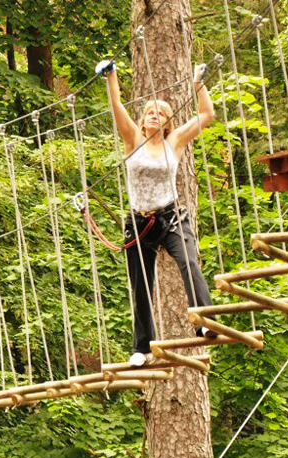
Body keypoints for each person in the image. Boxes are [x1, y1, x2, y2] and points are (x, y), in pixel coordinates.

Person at [97, 58, 217, 367]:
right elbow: (116, 108)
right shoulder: (132, 140)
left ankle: (204, 320)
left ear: (167, 122)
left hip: (170, 217)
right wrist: (112, 78)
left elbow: (206, 114)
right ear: (143, 119)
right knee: (141, 283)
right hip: (138, 222)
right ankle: (142, 347)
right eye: (149, 112)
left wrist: (198, 85)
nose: (154, 115)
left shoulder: (174, 141)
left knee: (189, 262)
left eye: (160, 113)